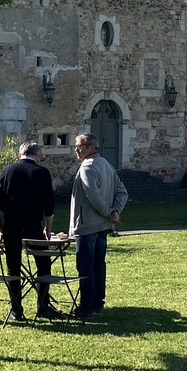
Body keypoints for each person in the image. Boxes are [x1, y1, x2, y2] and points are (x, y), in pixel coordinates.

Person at [0, 141, 57, 322]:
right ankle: (43, 306)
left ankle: (17, 310)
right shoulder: (41, 172)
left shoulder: (7, 171)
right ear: (37, 156)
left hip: (12, 225)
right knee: (43, 264)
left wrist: (5, 223)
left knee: (13, 267)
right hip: (32, 225)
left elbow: (0, 200)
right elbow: (49, 205)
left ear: (19, 154)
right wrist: (48, 227)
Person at [69, 133, 128, 318]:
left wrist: (111, 212)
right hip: (102, 225)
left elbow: (95, 197)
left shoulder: (88, 167)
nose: (77, 150)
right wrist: (114, 211)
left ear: (92, 147)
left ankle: (87, 307)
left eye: (80, 146)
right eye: (76, 146)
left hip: (88, 226)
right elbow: (122, 192)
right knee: (98, 265)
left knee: (86, 267)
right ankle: (97, 304)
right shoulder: (107, 165)